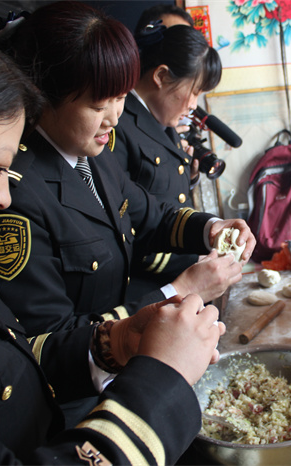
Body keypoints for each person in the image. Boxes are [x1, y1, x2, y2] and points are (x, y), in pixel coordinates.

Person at [0, 8, 224, 464]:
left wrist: (117, 342)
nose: (3, 195)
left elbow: (25, 357)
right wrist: (160, 379)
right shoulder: (1, 210)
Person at [0, 1, 254, 337]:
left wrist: (210, 228)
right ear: (42, 95)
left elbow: (152, 216)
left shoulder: (93, 155)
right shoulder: (14, 197)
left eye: (121, 98)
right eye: (98, 105)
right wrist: (178, 291)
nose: (114, 118)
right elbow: (51, 340)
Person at [112, 23, 225, 302]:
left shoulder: (164, 123)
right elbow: (125, 223)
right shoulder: (116, 125)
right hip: (145, 292)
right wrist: (193, 259)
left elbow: (168, 195)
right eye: (194, 91)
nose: (194, 105)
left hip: (179, 283)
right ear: (161, 76)